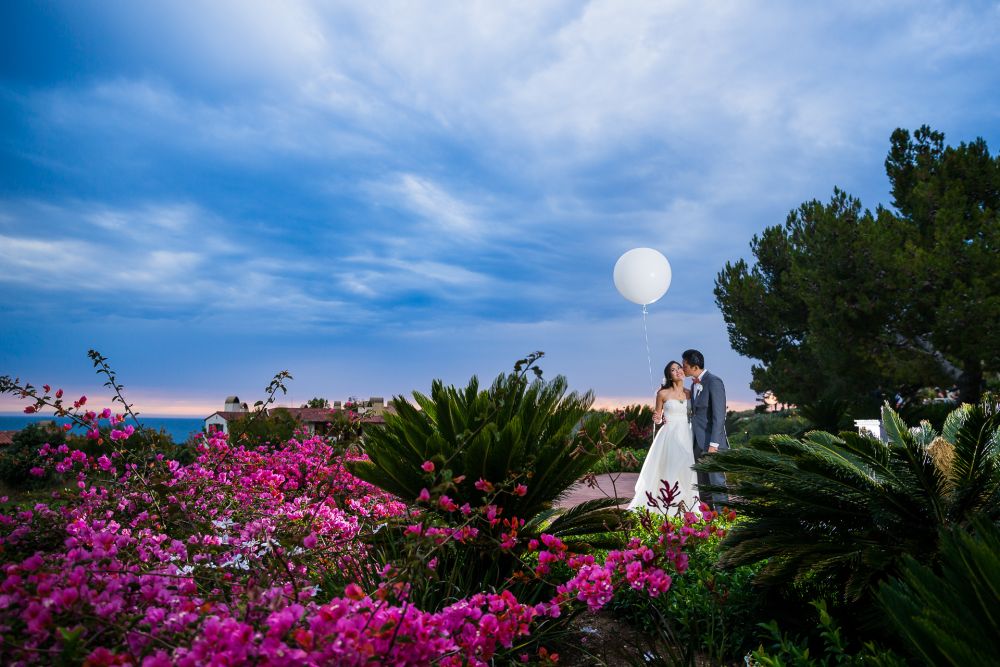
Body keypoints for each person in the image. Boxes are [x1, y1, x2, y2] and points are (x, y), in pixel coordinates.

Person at [627, 361, 700, 515]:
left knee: (687, 470)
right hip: (669, 435)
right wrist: (657, 419)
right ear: (670, 376)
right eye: (673, 370)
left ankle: (688, 508)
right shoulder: (663, 394)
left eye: (679, 368)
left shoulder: (690, 393)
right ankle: (668, 509)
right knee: (671, 468)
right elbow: (659, 418)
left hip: (686, 435)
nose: (678, 371)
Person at [682, 349, 729, 508]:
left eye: (685, 365)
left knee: (716, 484)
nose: (683, 368)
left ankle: (723, 522)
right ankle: (708, 522)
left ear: (694, 366)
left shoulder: (714, 381)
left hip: (712, 444)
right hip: (697, 444)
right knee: (703, 487)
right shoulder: (693, 384)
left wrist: (714, 444)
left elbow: (719, 416)